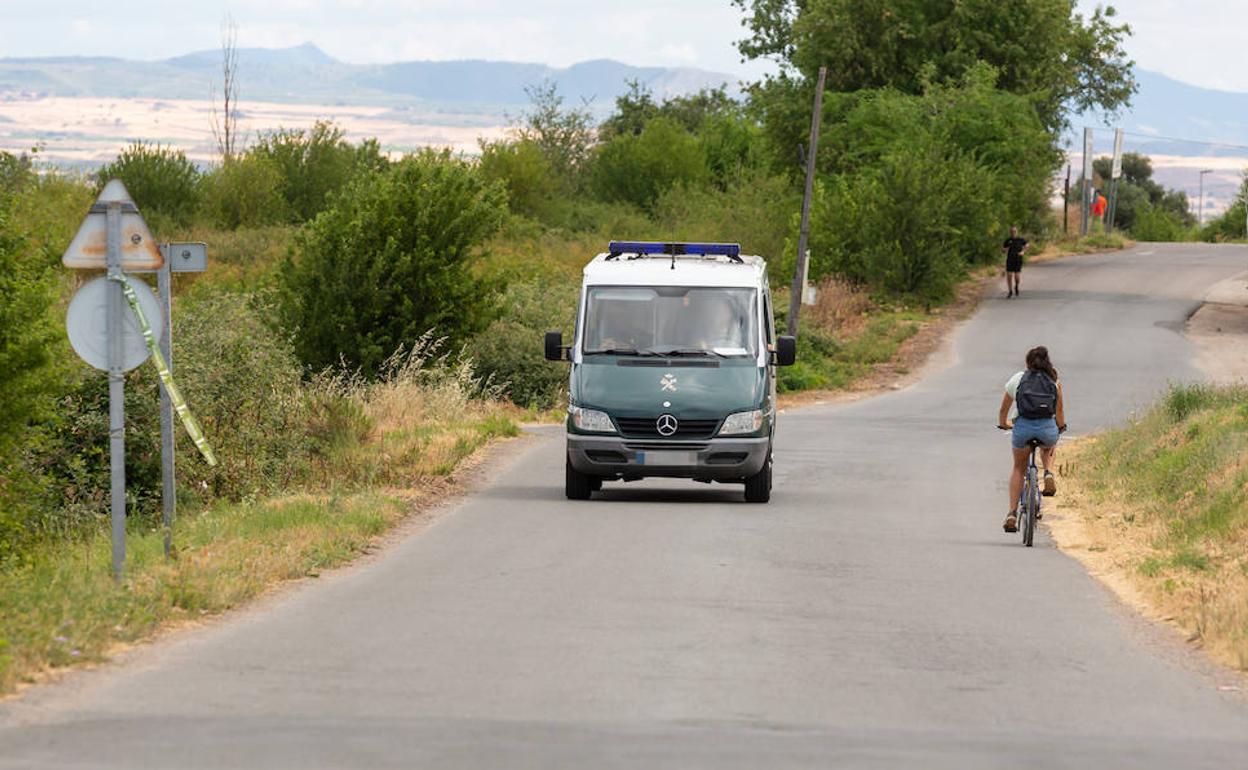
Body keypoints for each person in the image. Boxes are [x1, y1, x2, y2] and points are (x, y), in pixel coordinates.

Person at [996, 345, 1066, 533]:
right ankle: (1049, 472)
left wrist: (1004, 423)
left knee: (1019, 467)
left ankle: (1011, 513)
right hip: (1046, 428)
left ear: (1027, 363)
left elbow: (1004, 409)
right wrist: (1060, 428)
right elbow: (1059, 412)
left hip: (1023, 428)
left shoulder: (1018, 379)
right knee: (1048, 446)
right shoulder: (1054, 381)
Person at [1001, 226, 1028, 298]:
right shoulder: (1008, 240)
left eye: (1014, 231)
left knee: (1017, 277)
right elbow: (1003, 249)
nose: (1013, 233)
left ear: (1017, 232)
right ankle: (1010, 291)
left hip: (1018, 259)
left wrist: (1023, 252)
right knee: (1009, 275)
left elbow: (1027, 245)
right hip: (1010, 259)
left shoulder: (1021, 239)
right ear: (1010, 232)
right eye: (1012, 231)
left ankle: (1016, 286)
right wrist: (1004, 250)